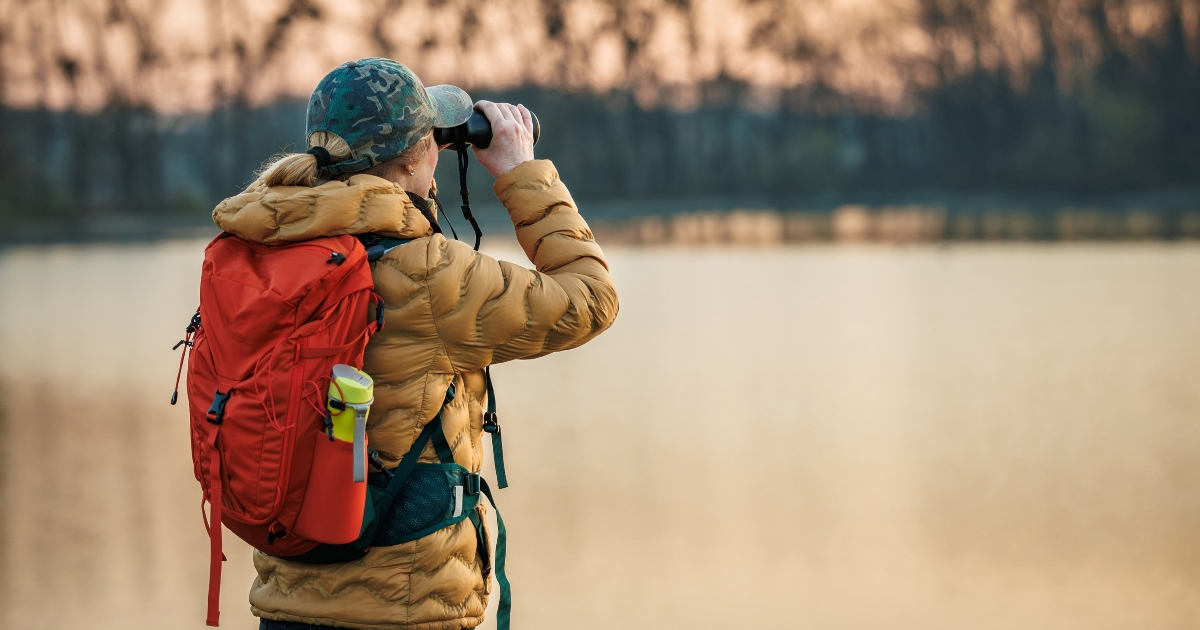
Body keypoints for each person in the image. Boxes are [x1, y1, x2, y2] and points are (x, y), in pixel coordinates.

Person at [211, 58, 619, 630]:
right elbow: (591, 299)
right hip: (402, 608)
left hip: (286, 598)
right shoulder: (427, 273)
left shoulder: (256, 251)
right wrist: (522, 172)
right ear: (423, 154)